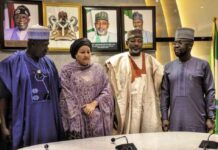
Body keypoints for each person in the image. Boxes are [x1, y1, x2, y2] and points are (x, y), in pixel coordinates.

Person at [0, 25, 64, 150]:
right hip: (25, 122)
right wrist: (3, 126)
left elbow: (57, 91)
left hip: (48, 122)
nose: (47, 49)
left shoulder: (49, 63)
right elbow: (2, 96)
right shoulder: (12, 63)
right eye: (44, 45)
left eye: (47, 44)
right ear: (32, 44)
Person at [105, 29, 163, 134]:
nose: (136, 44)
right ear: (127, 43)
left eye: (139, 41)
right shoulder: (116, 62)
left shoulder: (152, 61)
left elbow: (161, 83)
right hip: (127, 107)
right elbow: (111, 88)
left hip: (147, 106)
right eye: (132, 41)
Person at [160, 27, 215, 132]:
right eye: (175, 43)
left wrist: (210, 117)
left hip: (198, 121)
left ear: (190, 45)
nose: (176, 46)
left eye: (180, 43)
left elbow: (210, 92)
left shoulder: (203, 65)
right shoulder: (168, 67)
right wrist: (164, 117)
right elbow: (164, 94)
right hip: (175, 122)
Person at [60, 38, 114, 139]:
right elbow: (66, 95)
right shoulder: (67, 71)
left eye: (88, 52)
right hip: (77, 120)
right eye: (82, 52)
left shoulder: (98, 69)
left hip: (98, 120)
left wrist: (94, 104)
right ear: (75, 54)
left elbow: (107, 90)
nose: (86, 55)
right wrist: (80, 112)